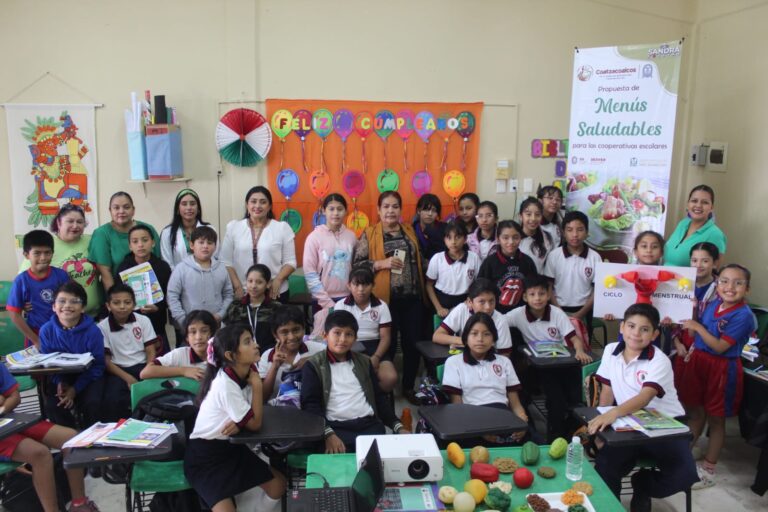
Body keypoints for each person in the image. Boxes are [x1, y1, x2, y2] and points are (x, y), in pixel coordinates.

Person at [588, 303, 698, 509]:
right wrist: (601, 429)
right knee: (605, 466)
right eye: (631, 326)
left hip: (666, 424)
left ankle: (643, 485)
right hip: (628, 423)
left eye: (644, 329)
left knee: (685, 475)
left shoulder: (660, 360)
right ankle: (613, 507)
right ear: (622, 327)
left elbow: (645, 397)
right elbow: (607, 391)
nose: (636, 334)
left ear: (655, 334)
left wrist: (612, 414)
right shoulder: (611, 350)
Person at [184, 324, 286, 512]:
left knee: (279, 485)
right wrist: (256, 386)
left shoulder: (247, 370)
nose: (256, 345)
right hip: (205, 458)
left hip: (231, 450)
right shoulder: (225, 383)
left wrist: (240, 423)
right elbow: (255, 423)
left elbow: (253, 412)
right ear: (231, 356)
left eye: (252, 339)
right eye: (247, 342)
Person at [679, 264, 756, 488]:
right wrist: (693, 314)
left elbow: (721, 346)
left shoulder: (744, 316)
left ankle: (709, 469)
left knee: (716, 418)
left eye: (738, 282)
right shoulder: (713, 304)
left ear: (747, 289)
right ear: (717, 283)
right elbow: (695, 334)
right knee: (694, 411)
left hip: (722, 368)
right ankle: (685, 456)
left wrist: (698, 327)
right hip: (699, 362)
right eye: (724, 281)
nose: (729, 287)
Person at [353, 191, 426, 404]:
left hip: (412, 298)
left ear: (401, 210)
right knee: (389, 344)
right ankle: (384, 387)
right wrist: (380, 264)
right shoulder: (370, 233)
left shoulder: (410, 231)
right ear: (378, 210)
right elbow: (357, 264)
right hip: (385, 301)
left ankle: (408, 387)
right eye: (386, 206)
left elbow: (420, 260)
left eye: (395, 206)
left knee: (413, 345)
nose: (391, 211)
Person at [301, 311, 409, 453]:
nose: (342, 339)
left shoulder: (364, 362)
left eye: (349, 334)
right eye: (337, 333)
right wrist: (328, 434)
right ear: (325, 335)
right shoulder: (313, 365)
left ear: (355, 338)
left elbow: (379, 398)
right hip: (335, 429)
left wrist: (397, 426)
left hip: (369, 426)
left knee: (384, 466)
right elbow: (310, 405)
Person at [0, 363, 100, 512]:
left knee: (71, 438)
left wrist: (2, 407)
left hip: (8, 420)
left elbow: (14, 397)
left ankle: (79, 504)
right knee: (39, 453)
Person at [505, 275, 592, 441]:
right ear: (524, 297)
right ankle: (552, 433)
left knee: (572, 397)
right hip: (538, 367)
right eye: (532, 294)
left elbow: (574, 339)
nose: (537, 298)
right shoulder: (517, 314)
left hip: (562, 364)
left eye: (542, 294)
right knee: (554, 398)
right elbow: (497, 321)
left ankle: (568, 429)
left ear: (548, 294)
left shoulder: (557, 313)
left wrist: (579, 350)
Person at [441, 312, 528, 443]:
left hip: (502, 416)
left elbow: (515, 405)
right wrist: (477, 429)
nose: (480, 339)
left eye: (486, 334)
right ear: (465, 338)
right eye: (474, 333)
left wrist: (522, 422)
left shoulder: (504, 362)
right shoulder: (454, 362)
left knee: (533, 446)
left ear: (493, 339)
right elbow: (457, 406)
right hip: (470, 418)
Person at [39, 282, 105, 429]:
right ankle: (69, 442)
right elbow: (47, 363)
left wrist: (75, 389)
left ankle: (92, 440)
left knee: (92, 403)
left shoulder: (93, 331)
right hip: (60, 377)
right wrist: (60, 383)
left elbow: (98, 365)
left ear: (82, 308)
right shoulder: (46, 331)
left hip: (89, 377)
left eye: (74, 301)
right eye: (62, 301)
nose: (67, 306)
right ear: (54, 306)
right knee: (54, 405)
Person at [19, 203, 102, 317]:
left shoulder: (92, 241)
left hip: (95, 315)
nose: (75, 225)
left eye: (79, 222)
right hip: (61, 319)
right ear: (59, 222)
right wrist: (22, 301)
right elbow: (23, 279)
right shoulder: (47, 245)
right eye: (70, 221)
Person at [220, 186, 296, 302]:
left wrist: (278, 280)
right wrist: (237, 285)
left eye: (263, 202)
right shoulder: (234, 227)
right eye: (253, 201)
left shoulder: (282, 228)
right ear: (247, 205)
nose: (257, 206)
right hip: (242, 291)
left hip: (274, 292)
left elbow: (290, 262)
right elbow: (225, 261)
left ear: (270, 206)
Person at [98, 284, 158, 421]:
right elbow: (106, 361)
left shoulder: (143, 321)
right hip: (117, 370)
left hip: (143, 366)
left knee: (154, 396)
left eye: (127, 302)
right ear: (108, 306)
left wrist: (149, 371)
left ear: (134, 304)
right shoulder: (102, 327)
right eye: (116, 303)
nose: (122, 307)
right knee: (113, 401)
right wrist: (127, 378)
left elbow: (150, 351)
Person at [333, 267, 398, 393]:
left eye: (365, 284)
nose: (361, 290)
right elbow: (338, 335)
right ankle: (364, 401)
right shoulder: (341, 305)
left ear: (373, 285)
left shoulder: (381, 306)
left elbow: (385, 337)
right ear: (349, 286)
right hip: (349, 346)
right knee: (353, 377)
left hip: (376, 347)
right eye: (356, 285)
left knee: (390, 378)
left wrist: (376, 357)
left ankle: (375, 401)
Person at [302, 193, 357, 334]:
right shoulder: (314, 238)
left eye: (340, 209)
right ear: (323, 211)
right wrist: (327, 302)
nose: (335, 213)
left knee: (345, 340)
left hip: (348, 298)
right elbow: (310, 273)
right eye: (331, 209)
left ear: (346, 211)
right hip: (322, 301)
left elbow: (356, 268)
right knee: (323, 341)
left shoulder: (351, 236)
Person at [114, 224, 172, 353]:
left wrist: (158, 307)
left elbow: (170, 295)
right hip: (131, 323)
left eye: (145, 240)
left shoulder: (163, 267)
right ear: (130, 246)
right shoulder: (124, 268)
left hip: (157, 323)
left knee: (161, 362)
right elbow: (117, 295)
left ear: (152, 243)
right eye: (135, 241)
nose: (140, 245)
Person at [543, 211, 602, 337]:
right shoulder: (554, 256)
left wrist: (580, 314)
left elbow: (597, 290)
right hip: (557, 309)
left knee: (583, 348)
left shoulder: (595, 257)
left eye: (580, 230)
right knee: (558, 347)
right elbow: (548, 287)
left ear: (586, 232)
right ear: (563, 233)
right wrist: (559, 311)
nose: (575, 235)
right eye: (570, 230)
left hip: (585, 311)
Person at [8, 230, 70, 347]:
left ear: (52, 253)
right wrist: (35, 340)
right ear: (26, 255)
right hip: (36, 335)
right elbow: (14, 314)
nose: (43, 258)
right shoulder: (21, 281)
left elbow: (74, 300)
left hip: (64, 333)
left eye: (47, 252)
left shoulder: (62, 276)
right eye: (37, 253)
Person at [672, 242, 720, 395]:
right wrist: (676, 342)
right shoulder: (680, 283)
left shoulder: (722, 288)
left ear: (715, 263)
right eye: (694, 260)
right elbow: (671, 316)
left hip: (707, 347)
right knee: (679, 392)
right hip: (681, 346)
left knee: (702, 395)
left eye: (705, 261)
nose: (698, 265)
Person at [89, 191, 161, 292]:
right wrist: (117, 301)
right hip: (118, 294)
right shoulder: (101, 234)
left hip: (151, 292)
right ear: (110, 210)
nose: (121, 211)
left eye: (126, 207)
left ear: (133, 210)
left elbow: (158, 262)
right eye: (116, 208)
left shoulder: (148, 229)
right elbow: (105, 273)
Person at [168, 226, 233, 328]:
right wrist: (183, 320)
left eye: (210, 243)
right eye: (201, 242)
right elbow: (172, 296)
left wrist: (220, 315)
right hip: (190, 327)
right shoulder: (181, 268)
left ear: (215, 246)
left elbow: (228, 294)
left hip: (216, 325)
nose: (205, 246)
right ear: (192, 245)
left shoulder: (221, 268)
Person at [258, 305, 324, 401]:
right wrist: (274, 367)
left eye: (296, 330)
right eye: (284, 332)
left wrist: (313, 360)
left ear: (304, 328)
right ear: (275, 334)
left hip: (310, 410)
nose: (292, 337)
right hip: (278, 412)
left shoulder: (317, 348)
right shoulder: (267, 356)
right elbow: (263, 398)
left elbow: (338, 356)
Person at [432, 278, 513, 353]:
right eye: (482, 301)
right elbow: (437, 336)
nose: (488, 307)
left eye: (491, 301)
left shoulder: (501, 320)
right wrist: (465, 340)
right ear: (469, 302)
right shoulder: (462, 309)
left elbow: (505, 356)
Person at [477, 220, 538, 314]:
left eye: (515, 237)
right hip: (496, 313)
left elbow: (534, 288)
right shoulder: (489, 262)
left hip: (521, 313)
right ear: (498, 239)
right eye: (505, 238)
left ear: (521, 238)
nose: (511, 242)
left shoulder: (527, 262)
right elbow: (481, 289)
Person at [141, 310, 217, 381]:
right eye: (193, 332)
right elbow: (145, 372)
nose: (198, 337)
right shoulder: (180, 354)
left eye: (204, 331)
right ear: (187, 337)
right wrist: (184, 371)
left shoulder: (220, 353)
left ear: (212, 334)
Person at [426, 222, 481, 317]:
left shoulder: (474, 258)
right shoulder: (438, 258)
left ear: (465, 239)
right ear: (444, 240)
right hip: (442, 302)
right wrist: (438, 308)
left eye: (458, 237)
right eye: (449, 237)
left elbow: (478, 284)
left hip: (466, 301)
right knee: (441, 331)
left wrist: (469, 300)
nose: (453, 242)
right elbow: (429, 285)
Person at [664, 185, 727, 267]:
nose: (698, 205)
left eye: (705, 202)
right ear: (688, 204)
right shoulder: (683, 224)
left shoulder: (715, 234)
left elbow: (715, 270)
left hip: (688, 280)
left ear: (711, 207)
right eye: (694, 201)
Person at [223, 264, 280, 353]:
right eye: (250, 281)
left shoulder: (276, 308)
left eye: (259, 282)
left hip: (268, 355)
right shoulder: (236, 306)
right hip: (241, 355)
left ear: (268, 284)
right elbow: (228, 333)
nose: (253, 286)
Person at [160, 188, 216, 269]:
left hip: (207, 276)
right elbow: (167, 263)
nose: (189, 207)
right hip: (178, 278)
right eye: (184, 204)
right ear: (177, 209)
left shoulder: (210, 230)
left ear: (198, 209)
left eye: (192, 204)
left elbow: (215, 257)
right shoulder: (167, 233)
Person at [518, 197, 554, 273]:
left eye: (537, 214)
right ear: (520, 216)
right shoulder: (514, 237)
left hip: (538, 282)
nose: (533, 218)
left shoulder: (547, 238)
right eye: (528, 214)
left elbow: (549, 266)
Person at [412, 193, 446, 261]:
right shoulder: (411, 230)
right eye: (426, 210)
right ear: (418, 211)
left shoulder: (445, 228)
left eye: (434, 210)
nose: (430, 214)